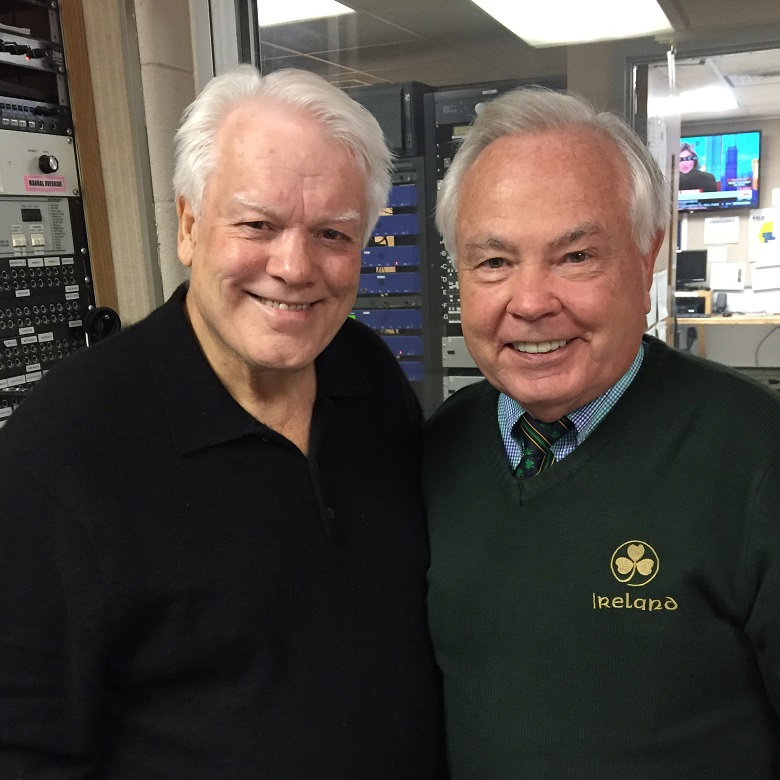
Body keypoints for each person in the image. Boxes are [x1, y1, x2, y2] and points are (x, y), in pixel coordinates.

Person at [0, 65, 445, 778]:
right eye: (257, 225)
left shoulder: (367, 373)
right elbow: (22, 740)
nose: (295, 266)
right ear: (188, 226)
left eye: (332, 233)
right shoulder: (64, 445)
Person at [424, 86, 780, 777]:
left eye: (576, 257)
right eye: (494, 262)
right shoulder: (440, 448)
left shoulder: (755, 453)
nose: (531, 302)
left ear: (648, 259)